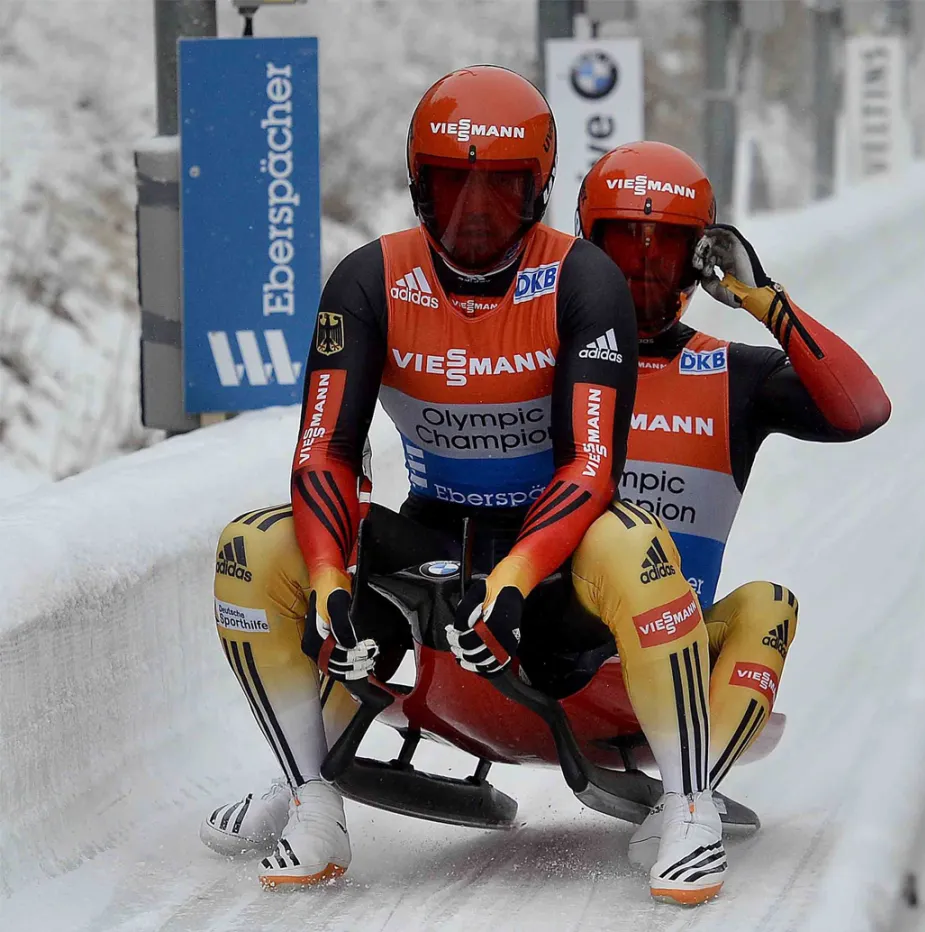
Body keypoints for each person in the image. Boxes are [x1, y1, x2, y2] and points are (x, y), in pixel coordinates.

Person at [203, 66, 727, 905]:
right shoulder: (368, 281)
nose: (474, 217)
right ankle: (306, 790)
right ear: (419, 187)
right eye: (453, 189)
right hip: (432, 533)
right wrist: (332, 587)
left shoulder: (583, 280)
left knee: (638, 549)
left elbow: (589, 464)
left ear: (539, 191)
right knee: (250, 548)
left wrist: (517, 580)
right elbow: (324, 453)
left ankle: (689, 805)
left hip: (554, 552)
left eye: (501, 191)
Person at [574, 140, 891, 868]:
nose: (644, 269)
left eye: (666, 251)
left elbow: (861, 409)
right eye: (625, 247)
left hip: (668, 660)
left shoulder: (729, 373)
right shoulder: (552, 354)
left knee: (769, 604)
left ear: (697, 261)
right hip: (546, 645)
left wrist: (763, 301)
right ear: (590, 246)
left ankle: (689, 794)